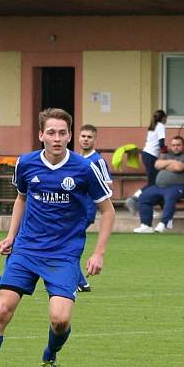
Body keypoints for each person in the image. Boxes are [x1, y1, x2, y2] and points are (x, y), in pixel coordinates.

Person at [0, 108, 115, 367]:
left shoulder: (83, 168)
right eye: (51, 132)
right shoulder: (26, 164)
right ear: (41, 134)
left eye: (63, 133)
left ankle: (50, 356)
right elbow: (21, 198)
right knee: (1, 310)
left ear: (70, 135)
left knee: (60, 321)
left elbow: (108, 211)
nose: (57, 138)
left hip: (64, 254)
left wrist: (98, 253)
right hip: (27, 249)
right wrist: (11, 237)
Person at [76, 124, 113, 291]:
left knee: (65, 243)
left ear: (95, 140)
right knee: (67, 243)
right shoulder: (76, 159)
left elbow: (108, 185)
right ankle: (79, 282)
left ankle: (79, 282)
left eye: (89, 137)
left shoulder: (97, 161)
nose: (85, 139)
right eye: (83, 136)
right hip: (75, 210)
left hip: (87, 210)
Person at [132, 135, 184, 233]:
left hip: (180, 186)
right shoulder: (167, 155)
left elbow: (178, 167)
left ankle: (163, 223)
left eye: (178, 145)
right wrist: (171, 162)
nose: (176, 147)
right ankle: (146, 225)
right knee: (144, 196)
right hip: (160, 186)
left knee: (170, 196)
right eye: (173, 145)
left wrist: (165, 166)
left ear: (183, 145)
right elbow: (157, 164)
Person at [125, 109, 167, 214]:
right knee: (153, 183)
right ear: (163, 118)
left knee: (157, 182)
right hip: (152, 156)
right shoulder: (161, 126)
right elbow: (161, 144)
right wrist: (166, 151)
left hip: (147, 154)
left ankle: (162, 206)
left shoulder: (152, 127)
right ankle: (134, 199)